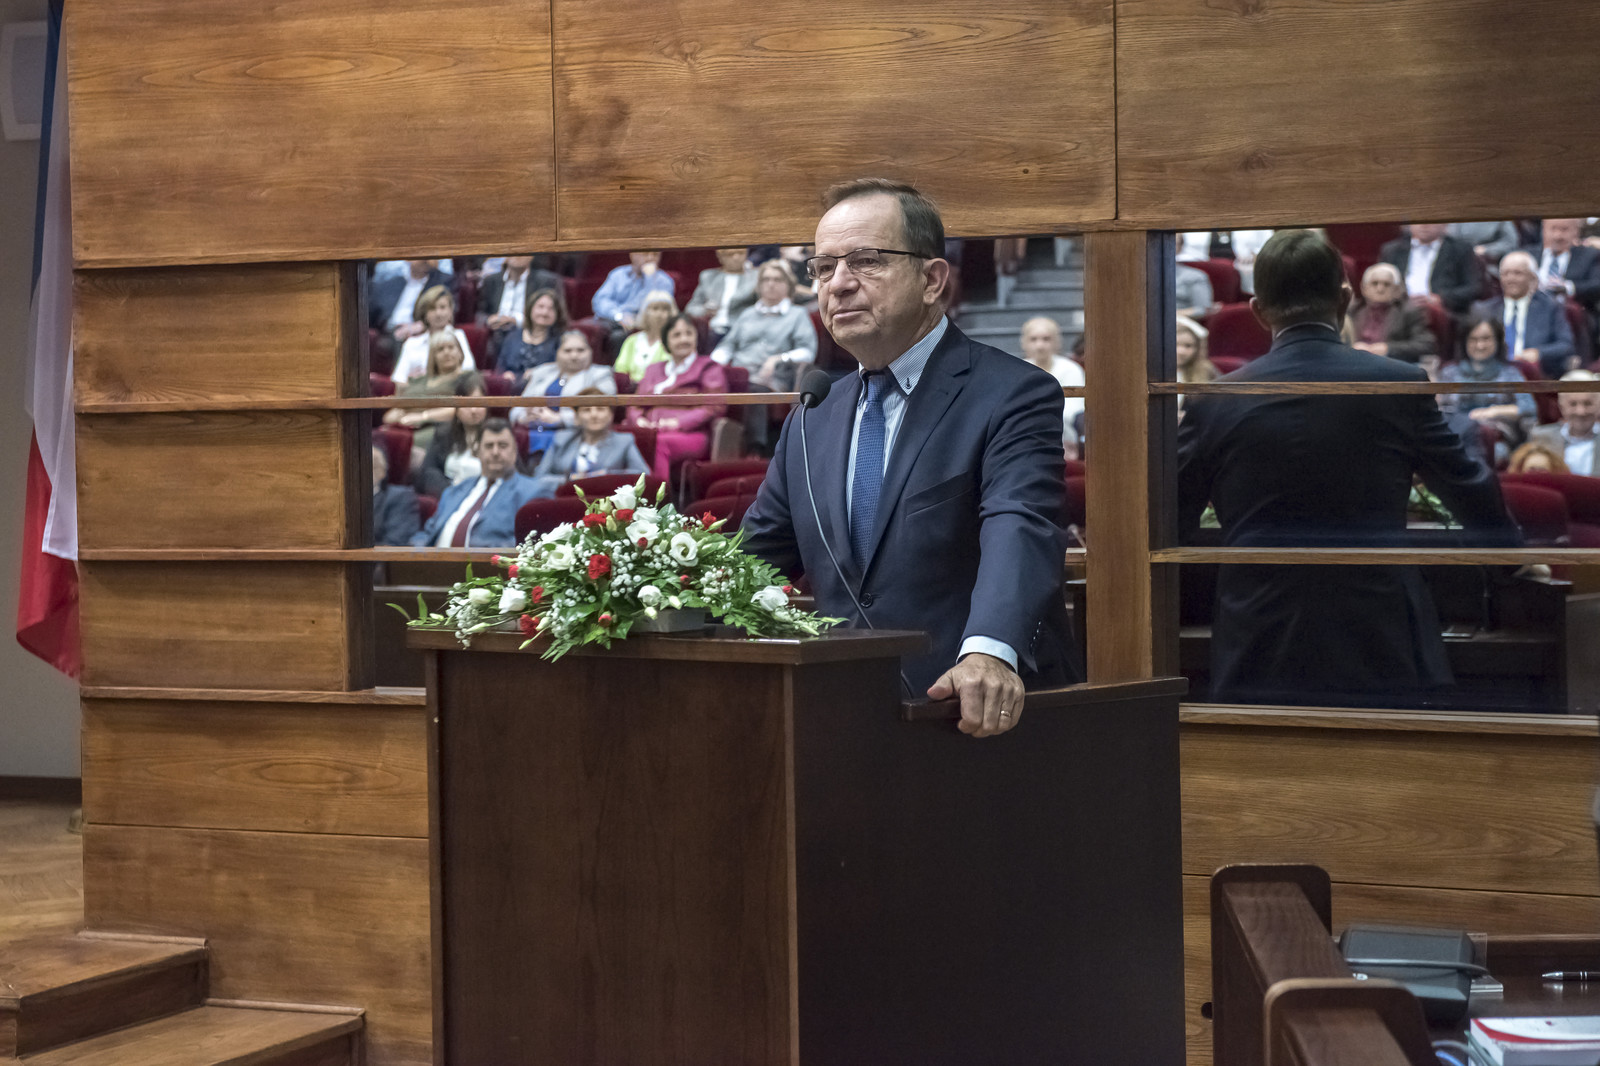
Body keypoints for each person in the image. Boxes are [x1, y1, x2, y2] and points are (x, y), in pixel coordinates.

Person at [741, 178, 1077, 738]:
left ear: (932, 279)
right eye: (823, 268)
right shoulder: (813, 414)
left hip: (968, 714)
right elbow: (756, 556)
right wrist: (649, 593)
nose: (839, 284)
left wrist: (989, 651)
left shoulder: (1012, 393)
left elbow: (1019, 523)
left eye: (865, 261)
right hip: (840, 716)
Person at [1177, 229, 1518, 708]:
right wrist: (1513, 561)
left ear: (1258, 310)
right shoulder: (1398, 383)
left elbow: (1170, 516)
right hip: (1379, 633)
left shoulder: (1214, 401)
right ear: (1344, 298)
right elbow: (1470, 489)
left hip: (1257, 635)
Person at [626, 313, 728, 481]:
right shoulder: (653, 369)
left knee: (657, 443)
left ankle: (659, 498)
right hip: (649, 430)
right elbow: (635, 403)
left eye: (689, 333)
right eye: (676, 335)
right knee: (621, 440)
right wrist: (639, 421)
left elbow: (714, 406)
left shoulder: (709, 367)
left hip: (690, 434)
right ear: (666, 340)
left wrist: (677, 423)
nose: (683, 339)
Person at [411, 419, 542, 548]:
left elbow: (528, 544)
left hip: (485, 561)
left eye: (503, 446)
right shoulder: (454, 491)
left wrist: (477, 553)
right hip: (433, 560)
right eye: (489, 446)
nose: (495, 452)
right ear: (477, 452)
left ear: (515, 451)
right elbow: (426, 534)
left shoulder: (531, 492)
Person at [711, 259, 818, 390]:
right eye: (766, 279)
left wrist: (780, 358)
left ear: (788, 285)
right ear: (759, 284)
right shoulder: (747, 314)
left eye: (777, 280)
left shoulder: (798, 314)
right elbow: (727, 346)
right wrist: (711, 366)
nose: (771, 284)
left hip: (773, 382)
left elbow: (807, 352)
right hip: (738, 379)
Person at [1469, 251, 1576, 379]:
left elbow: (1565, 344)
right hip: (1493, 377)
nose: (1511, 279)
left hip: (1536, 377)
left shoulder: (1550, 307)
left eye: (1517, 273)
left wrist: (1538, 353)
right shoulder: (1484, 310)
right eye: (1505, 274)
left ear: (1533, 279)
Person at [527, 388, 650, 497]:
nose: (594, 415)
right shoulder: (561, 439)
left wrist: (604, 477)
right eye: (587, 410)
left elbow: (643, 476)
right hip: (564, 501)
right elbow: (539, 479)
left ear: (611, 415)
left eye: (600, 409)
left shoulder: (624, 441)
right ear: (576, 417)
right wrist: (569, 479)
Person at [512, 330, 617, 457]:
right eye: (567, 351)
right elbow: (517, 408)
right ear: (557, 353)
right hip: (530, 433)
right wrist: (523, 416)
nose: (574, 356)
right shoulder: (542, 372)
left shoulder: (601, 375)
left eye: (580, 350)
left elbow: (603, 412)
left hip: (574, 435)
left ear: (590, 352)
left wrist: (559, 419)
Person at [1439, 316, 1537, 442]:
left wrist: (1494, 411)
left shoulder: (1510, 373)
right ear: (1465, 341)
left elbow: (1529, 407)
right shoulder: (1449, 373)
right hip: (1457, 436)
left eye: (1486, 339)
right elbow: (1440, 410)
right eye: (1473, 339)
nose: (1480, 345)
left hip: (1499, 438)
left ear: (1497, 340)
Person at [383, 339, 477, 455]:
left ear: (460, 353)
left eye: (451, 347)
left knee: (404, 444)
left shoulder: (467, 377)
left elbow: (465, 408)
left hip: (438, 426)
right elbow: (396, 407)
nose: (446, 352)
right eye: (440, 349)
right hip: (403, 424)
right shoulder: (419, 379)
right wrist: (394, 414)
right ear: (433, 356)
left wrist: (423, 416)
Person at [1339, 263, 1436, 363]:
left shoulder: (1409, 312)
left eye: (1387, 284)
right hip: (1354, 362)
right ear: (1364, 288)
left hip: (1392, 364)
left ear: (1397, 290)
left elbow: (1426, 344)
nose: (1380, 289)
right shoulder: (1351, 310)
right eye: (1375, 283)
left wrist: (1388, 348)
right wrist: (1351, 346)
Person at [1379, 223, 1483, 314]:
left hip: (1444, 313)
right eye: (1418, 220)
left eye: (1430, 220)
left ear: (1444, 224)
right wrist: (1401, 299)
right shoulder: (1392, 250)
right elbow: (1380, 283)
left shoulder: (1460, 250)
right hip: (1399, 311)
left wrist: (1441, 299)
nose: (1424, 225)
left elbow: (1473, 288)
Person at [1018, 316, 1085, 455]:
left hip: (1065, 435)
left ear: (1057, 342)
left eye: (1046, 339)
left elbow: (1075, 410)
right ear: (1024, 343)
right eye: (1033, 339)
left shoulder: (1071, 369)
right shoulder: (1016, 369)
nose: (1040, 345)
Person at [415, 375, 490, 498]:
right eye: (467, 404)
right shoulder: (443, 434)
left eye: (478, 403)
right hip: (447, 496)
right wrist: (449, 494)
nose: (473, 410)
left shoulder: (496, 437)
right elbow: (429, 471)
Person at [478, 256, 563, 362]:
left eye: (522, 251)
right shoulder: (491, 280)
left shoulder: (547, 281)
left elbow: (555, 313)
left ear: (531, 256)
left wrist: (516, 320)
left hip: (531, 333)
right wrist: (489, 319)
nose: (517, 255)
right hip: (495, 334)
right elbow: (479, 313)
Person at [390, 286, 477, 383]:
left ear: (450, 311)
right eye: (432, 308)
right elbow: (398, 378)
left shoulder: (458, 336)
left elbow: (469, 369)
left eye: (442, 307)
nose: (438, 313)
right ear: (425, 314)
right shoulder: (411, 344)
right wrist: (410, 380)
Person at [591, 251, 676, 348]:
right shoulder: (618, 275)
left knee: (617, 337)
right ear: (632, 255)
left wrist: (650, 279)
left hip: (642, 324)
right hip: (614, 318)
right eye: (646, 254)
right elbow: (599, 301)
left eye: (655, 255)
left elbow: (650, 306)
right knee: (595, 331)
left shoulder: (665, 281)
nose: (650, 258)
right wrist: (619, 315)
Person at [1527, 369, 1599, 476]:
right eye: (1573, 404)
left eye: (1588, 403)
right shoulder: (1540, 439)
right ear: (1561, 407)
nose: (1580, 412)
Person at [1523, 218, 1600, 314]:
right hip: (1531, 313)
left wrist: (1567, 287)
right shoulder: (1526, 255)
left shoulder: (1589, 256)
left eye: (1564, 229)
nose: (1558, 236)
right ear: (1543, 230)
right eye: (1553, 229)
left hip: (1573, 315)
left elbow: (1597, 285)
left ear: (1576, 232)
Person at [495, 287, 568, 388]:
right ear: (530, 308)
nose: (544, 313)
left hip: (543, 389)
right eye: (540, 307)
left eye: (551, 309)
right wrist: (505, 375)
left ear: (557, 314)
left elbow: (562, 369)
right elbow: (500, 366)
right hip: (510, 388)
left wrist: (538, 373)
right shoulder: (512, 336)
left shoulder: (561, 340)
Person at [685, 247, 759, 341]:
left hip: (742, 329)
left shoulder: (755, 277)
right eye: (730, 254)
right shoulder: (708, 277)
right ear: (720, 257)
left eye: (740, 253)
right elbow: (691, 308)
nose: (736, 257)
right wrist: (705, 310)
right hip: (712, 329)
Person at [612, 291, 677, 383]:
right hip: (630, 389)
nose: (660, 314)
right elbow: (620, 369)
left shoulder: (674, 341)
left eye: (665, 309)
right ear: (645, 313)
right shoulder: (632, 340)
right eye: (655, 308)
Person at [371, 444, 421, 546]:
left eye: (373, 467)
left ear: (382, 471)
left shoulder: (401, 497)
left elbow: (395, 542)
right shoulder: (344, 501)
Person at [1448, 221, 1520, 266]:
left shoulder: (1499, 215)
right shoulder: (1459, 214)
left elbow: (1510, 242)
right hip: (1461, 262)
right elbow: (1450, 241)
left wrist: (1486, 249)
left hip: (1490, 265)